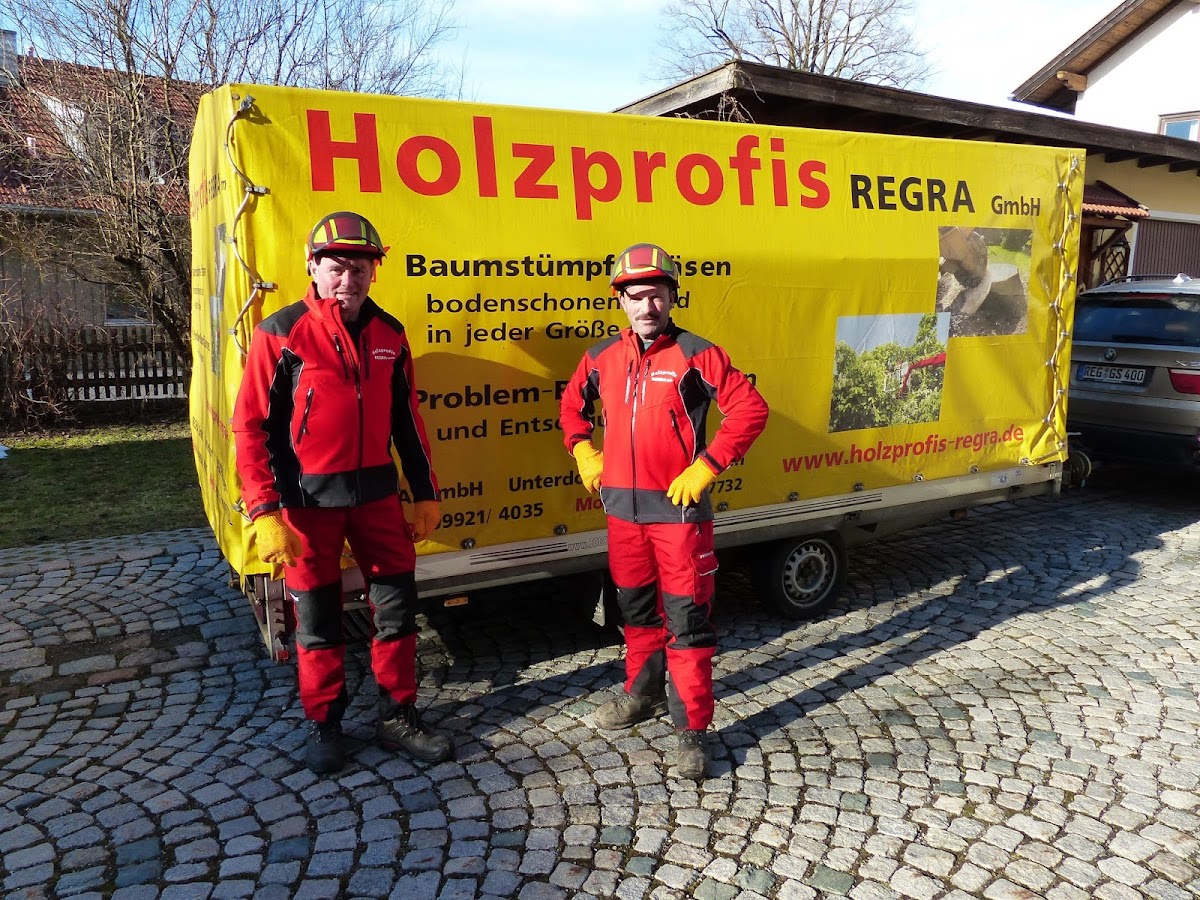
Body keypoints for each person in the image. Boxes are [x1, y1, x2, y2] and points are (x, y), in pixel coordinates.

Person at [232, 210, 450, 775]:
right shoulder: (281, 332)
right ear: (312, 267)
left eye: (359, 267)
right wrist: (264, 510)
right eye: (336, 266)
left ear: (374, 272)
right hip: (305, 506)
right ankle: (324, 723)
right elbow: (250, 427)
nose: (348, 278)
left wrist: (424, 492)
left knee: (397, 610)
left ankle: (397, 715)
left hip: (377, 498)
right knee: (318, 620)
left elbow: (407, 420)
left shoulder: (390, 333)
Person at [559, 242, 769, 778]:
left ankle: (691, 729)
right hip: (622, 516)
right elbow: (571, 406)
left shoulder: (698, 354)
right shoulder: (601, 357)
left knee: (687, 621)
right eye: (635, 296)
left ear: (672, 296)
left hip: (679, 517)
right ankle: (642, 693)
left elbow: (750, 410)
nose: (646, 306)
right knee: (634, 612)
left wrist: (707, 465)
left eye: (656, 294)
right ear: (621, 300)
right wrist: (582, 449)